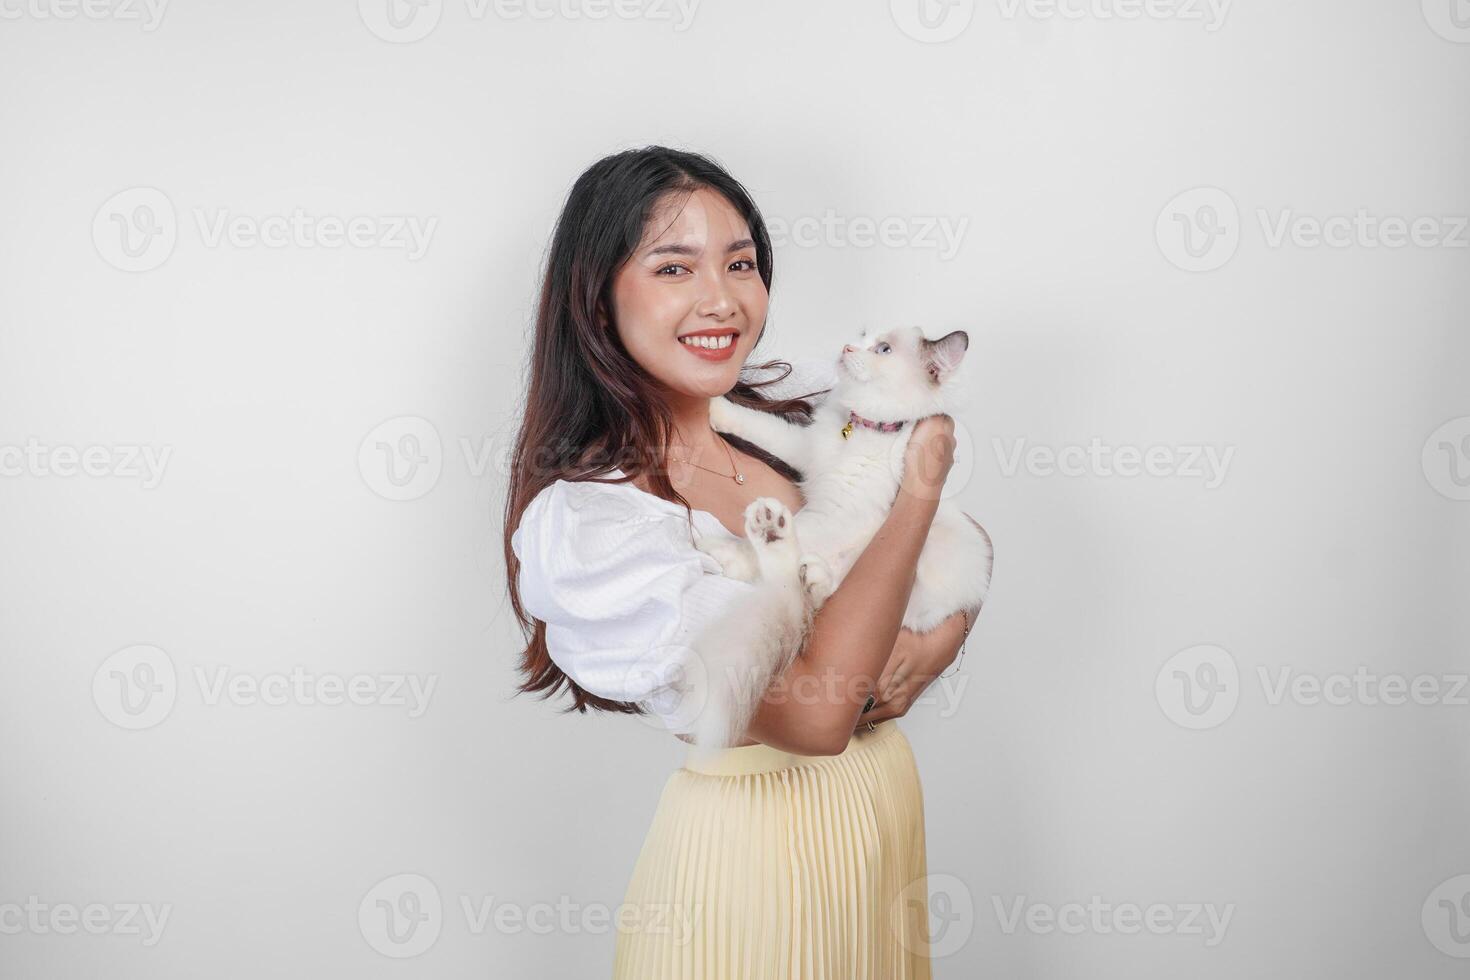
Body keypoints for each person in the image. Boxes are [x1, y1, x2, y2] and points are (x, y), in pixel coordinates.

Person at [504, 146, 978, 978]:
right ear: (597, 298)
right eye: (674, 267)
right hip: (753, 868)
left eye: (740, 263)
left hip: (878, 828)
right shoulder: (597, 521)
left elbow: (945, 566)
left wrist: (936, 645)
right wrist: (917, 495)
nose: (721, 298)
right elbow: (817, 718)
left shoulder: (792, 431)